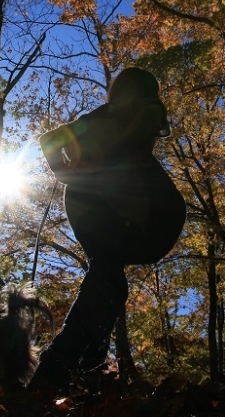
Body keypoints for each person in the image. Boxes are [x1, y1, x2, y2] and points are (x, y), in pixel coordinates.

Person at [30, 67, 186, 390]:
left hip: (147, 216)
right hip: (121, 213)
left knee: (109, 275)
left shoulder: (128, 116)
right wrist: (71, 173)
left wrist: (84, 167)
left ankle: (81, 365)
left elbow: (147, 118)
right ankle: (71, 365)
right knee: (108, 275)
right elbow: (50, 141)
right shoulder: (108, 117)